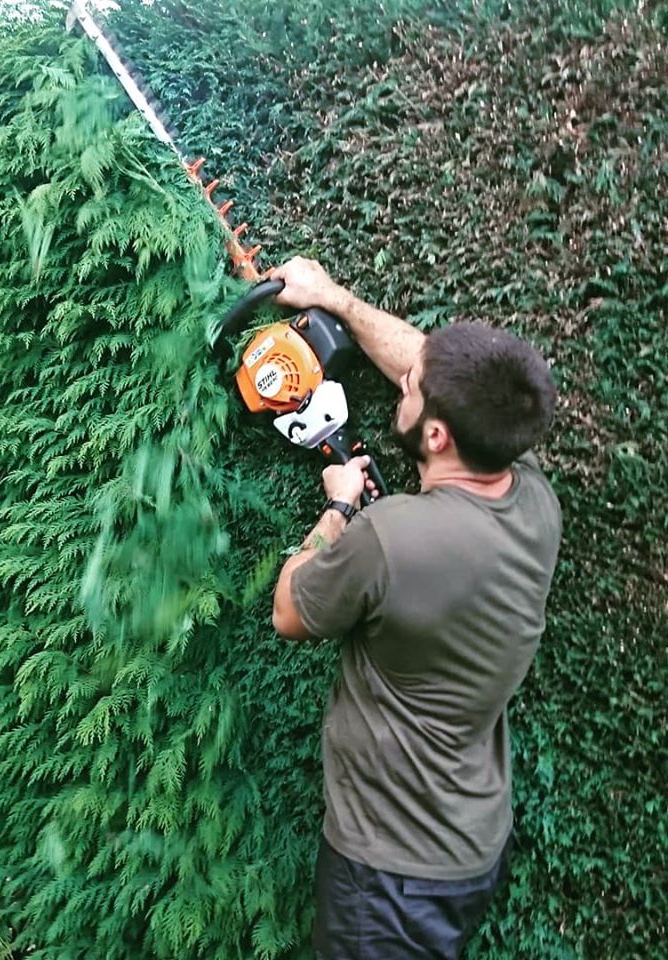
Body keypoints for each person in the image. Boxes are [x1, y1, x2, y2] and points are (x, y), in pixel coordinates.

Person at [268, 257, 562, 960]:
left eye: (412, 389)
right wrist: (331, 298)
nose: (403, 379)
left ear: (436, 435)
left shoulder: (391, 536)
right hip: (467, 843)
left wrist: (337, 506)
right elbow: (438, 372)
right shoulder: (532, 500)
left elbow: (289, 611)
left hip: (388, 875)